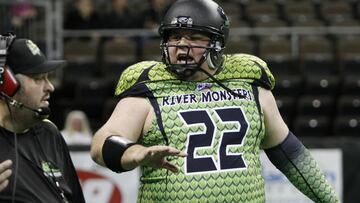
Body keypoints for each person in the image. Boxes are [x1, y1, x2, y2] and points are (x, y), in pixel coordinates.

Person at [90, 0, 340, 202]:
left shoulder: (248, 81)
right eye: (174, 37)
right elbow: (102, 143)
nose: (181, 46)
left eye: (194, 37)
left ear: (218, 43)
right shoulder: (149, 87)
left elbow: (289, 153)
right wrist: (134, 153)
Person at [0, 33, 85, 202]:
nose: (50, 87)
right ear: (6, 85)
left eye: (48, 78)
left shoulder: (49, 133)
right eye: (39, 79)